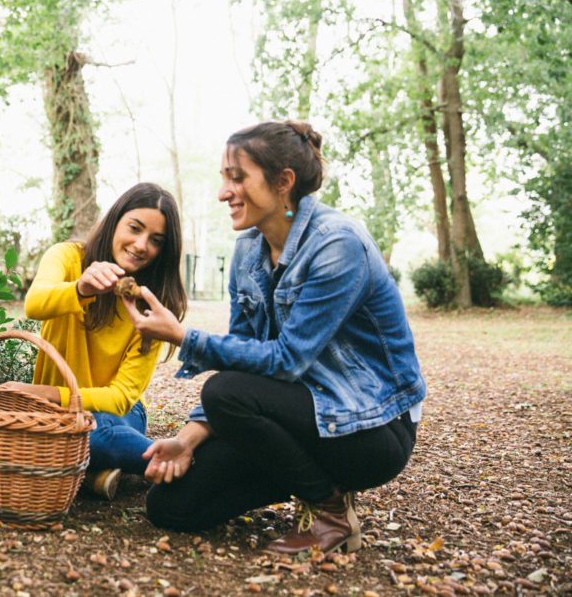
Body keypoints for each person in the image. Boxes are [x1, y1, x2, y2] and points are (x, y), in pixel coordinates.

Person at [123, 121, 426, 554]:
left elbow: (286, 361)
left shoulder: (337, 244)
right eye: (224, 178)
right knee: (171, 507)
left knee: (225, 391)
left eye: (237, 177)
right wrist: (188, 440)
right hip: (295, 419)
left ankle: (331, 510)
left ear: (283, 181)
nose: (224, 192)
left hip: (369, 430)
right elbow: (242, 353)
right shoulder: (249, 251)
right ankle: (314, 479)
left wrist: (183, 336)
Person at [0, 182, 187, 500]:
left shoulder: (152, 305)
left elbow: (119, 398)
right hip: (50, 412)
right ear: (116, 220)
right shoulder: (67, 257)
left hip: (110, 415)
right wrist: (80, 289)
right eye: (135, 228)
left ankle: (174, 464)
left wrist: (43, 393)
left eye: (156, 241)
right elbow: (34, 304)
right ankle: (85, 471)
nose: (141, 244)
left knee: (102, 435)